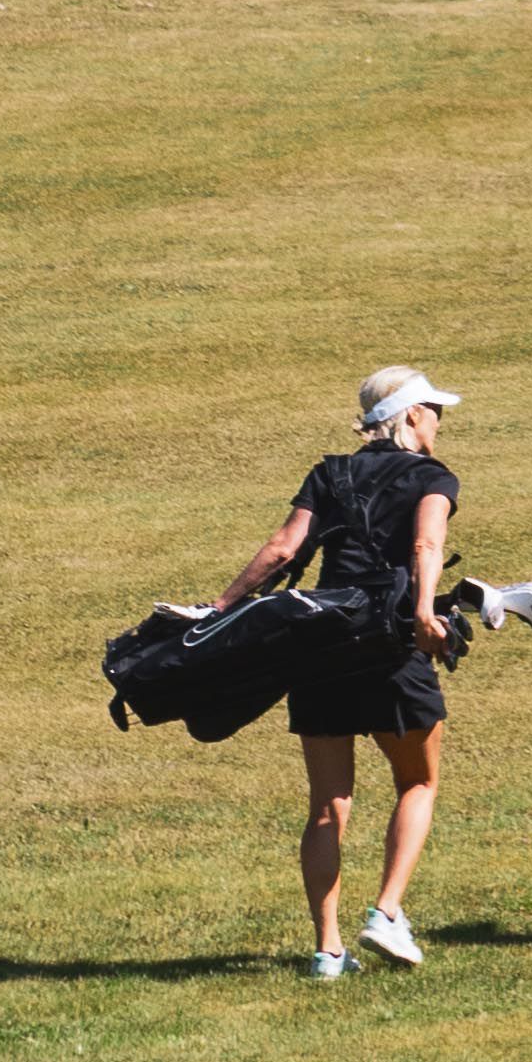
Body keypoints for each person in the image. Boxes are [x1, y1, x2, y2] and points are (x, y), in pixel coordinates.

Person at [207, 369, 461, 978]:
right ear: (410, 416)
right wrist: (426, 613)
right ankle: (387, 914)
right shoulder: (433, 477)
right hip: (389, 645)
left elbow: (282, 550)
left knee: (328, 804)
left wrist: (219, 608)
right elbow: (426, 546)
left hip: (319, 644)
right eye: (433, 410)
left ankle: (327, 952)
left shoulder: (331, 474)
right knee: (418, 783)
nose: (439, 422)